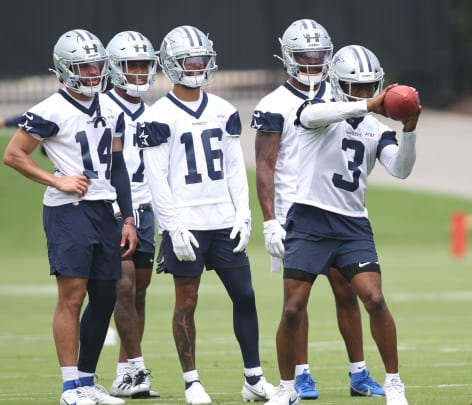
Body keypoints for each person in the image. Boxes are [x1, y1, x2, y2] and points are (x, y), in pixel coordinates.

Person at [264, 44, 418, 405]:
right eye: (357, 86)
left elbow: (402, 169)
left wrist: (409, 130)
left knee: (375, 299)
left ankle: (394, 383)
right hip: (310, 218)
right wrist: (367, 105)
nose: (365, 93)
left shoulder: (375, 129)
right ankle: (287, 387)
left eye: (369, 87)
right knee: (292, 308)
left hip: (352, 225)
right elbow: (319, 115)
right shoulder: (315, 110)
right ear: (337, 83)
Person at [136, 25, 275, 404]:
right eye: (189, 60)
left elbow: (234, 168)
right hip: (187, 223)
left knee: (245, 295)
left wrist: (243, 215)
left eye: (201, 60)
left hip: (222, 219)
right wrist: (172, 225)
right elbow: (156, 177)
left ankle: (254, 379)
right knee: (187, 301)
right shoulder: (157, 116)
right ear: (172, 64)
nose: (197, 66)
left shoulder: (224, 109)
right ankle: (193, 382)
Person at [252, 18, 384, 400]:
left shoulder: (339, 93)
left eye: (319, 56)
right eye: (304, 57)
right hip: (296, 214)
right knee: (298, 300)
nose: (312, 64)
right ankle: (301, 373)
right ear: (288, 57)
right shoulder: (273, 104)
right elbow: (266, 165)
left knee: (348, 290)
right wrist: (271, 219)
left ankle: (359, 372)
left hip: (336, 209)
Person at [3, 29, 136, 405]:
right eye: (84, 67)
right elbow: (14, 154)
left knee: (106, 296)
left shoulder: (111, 107)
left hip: (105, 210)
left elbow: (119, 166)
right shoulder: (51, 109)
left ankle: (88, 380)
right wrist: (56, 180)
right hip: (69, 212)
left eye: (97, 66)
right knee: (73, 296)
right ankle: (69, 387)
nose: (93, 73)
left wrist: (127, 218)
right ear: (66, 69)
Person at [102, 30, 160, 398]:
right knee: (121, 287)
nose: (139, 72)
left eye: (144, 65)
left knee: (139, 292)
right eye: (131, 65)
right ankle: (137, 371)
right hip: (112, 210)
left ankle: (124, 373)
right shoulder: (102, 107)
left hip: (146, 208)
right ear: (115, 67)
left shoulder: (154, 113)